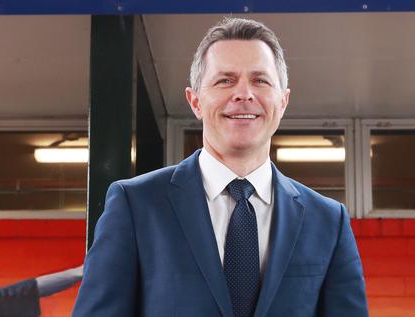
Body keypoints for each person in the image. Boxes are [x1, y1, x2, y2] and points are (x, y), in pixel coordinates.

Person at [72, 18, 368, 317]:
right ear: (195, 101)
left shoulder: (328, 221)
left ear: (283, 101)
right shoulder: (136, 206)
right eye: (225, 80)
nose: (243, 94)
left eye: (260, 80)